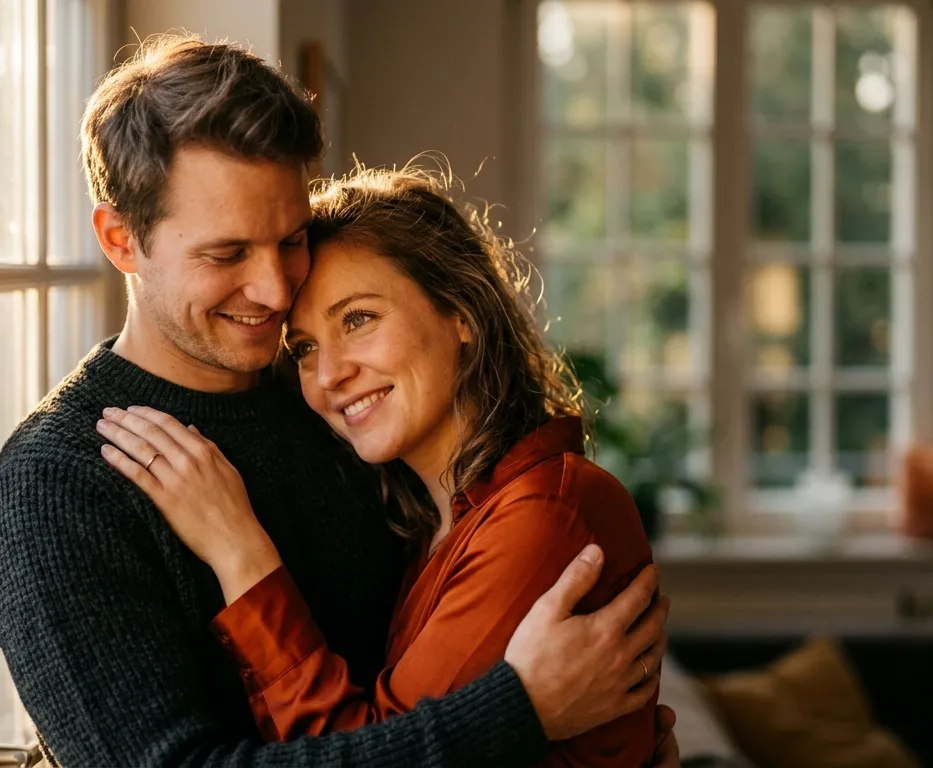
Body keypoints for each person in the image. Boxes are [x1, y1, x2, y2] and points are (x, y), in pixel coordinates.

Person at [0, 35, 675, 767]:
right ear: (120, 239)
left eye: (289, 241)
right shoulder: (55, 483)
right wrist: (519, 711)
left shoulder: (345, 415)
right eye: (227, 254)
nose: (274, 290)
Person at [97, 163, 661, 765]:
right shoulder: (428, 521)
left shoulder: (545, 515)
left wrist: (241, 554)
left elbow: (357, 751)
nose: (330, 374)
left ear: (460, 312)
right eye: (305, 348)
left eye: (359, 319)